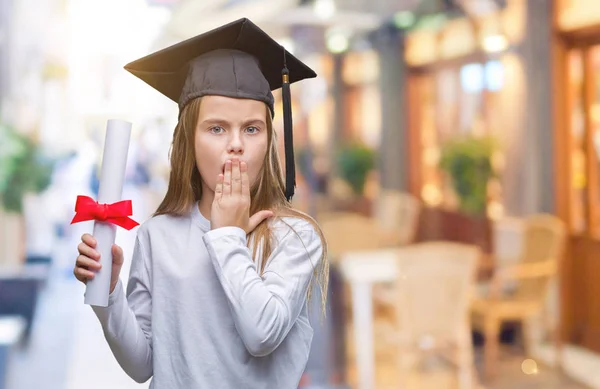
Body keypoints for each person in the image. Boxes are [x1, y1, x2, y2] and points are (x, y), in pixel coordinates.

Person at [72, 18, 329, 389]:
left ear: (269, 141)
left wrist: (226, 233)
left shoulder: (295, 236)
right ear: (189, 142)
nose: (236, 144)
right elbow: (143, 364)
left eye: (252, 129)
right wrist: (108, 295)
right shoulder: (158, 235)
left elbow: (261, 335)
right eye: (217, 128)